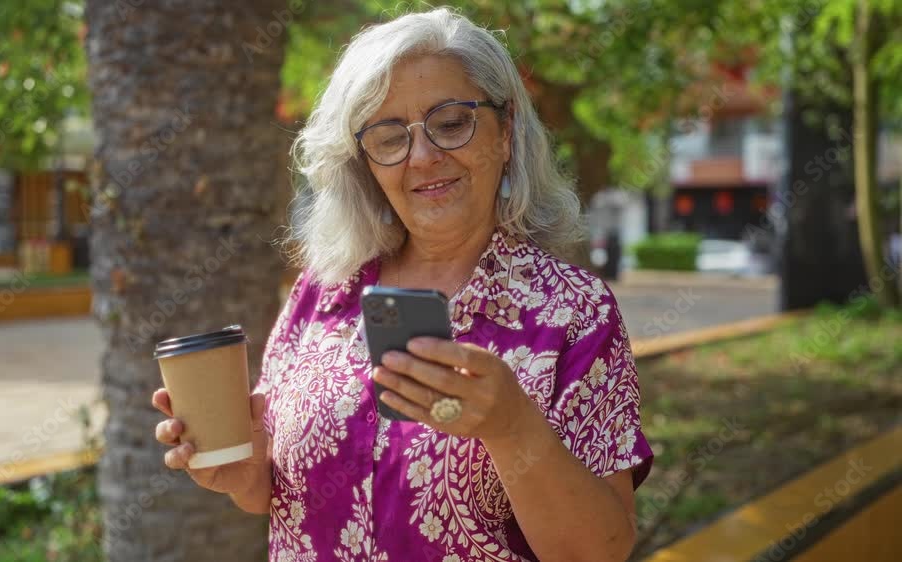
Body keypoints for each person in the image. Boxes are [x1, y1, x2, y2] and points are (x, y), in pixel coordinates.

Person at [153, 7, 654, 561]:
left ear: (505, 131)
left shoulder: (573, 312)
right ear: (365, 161)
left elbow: (600, 550)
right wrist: (244, 476)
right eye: (389, 137)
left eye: (450, 122)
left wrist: (513, 428)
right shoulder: (323, 294)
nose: (422, 156)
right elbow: (282, 496)